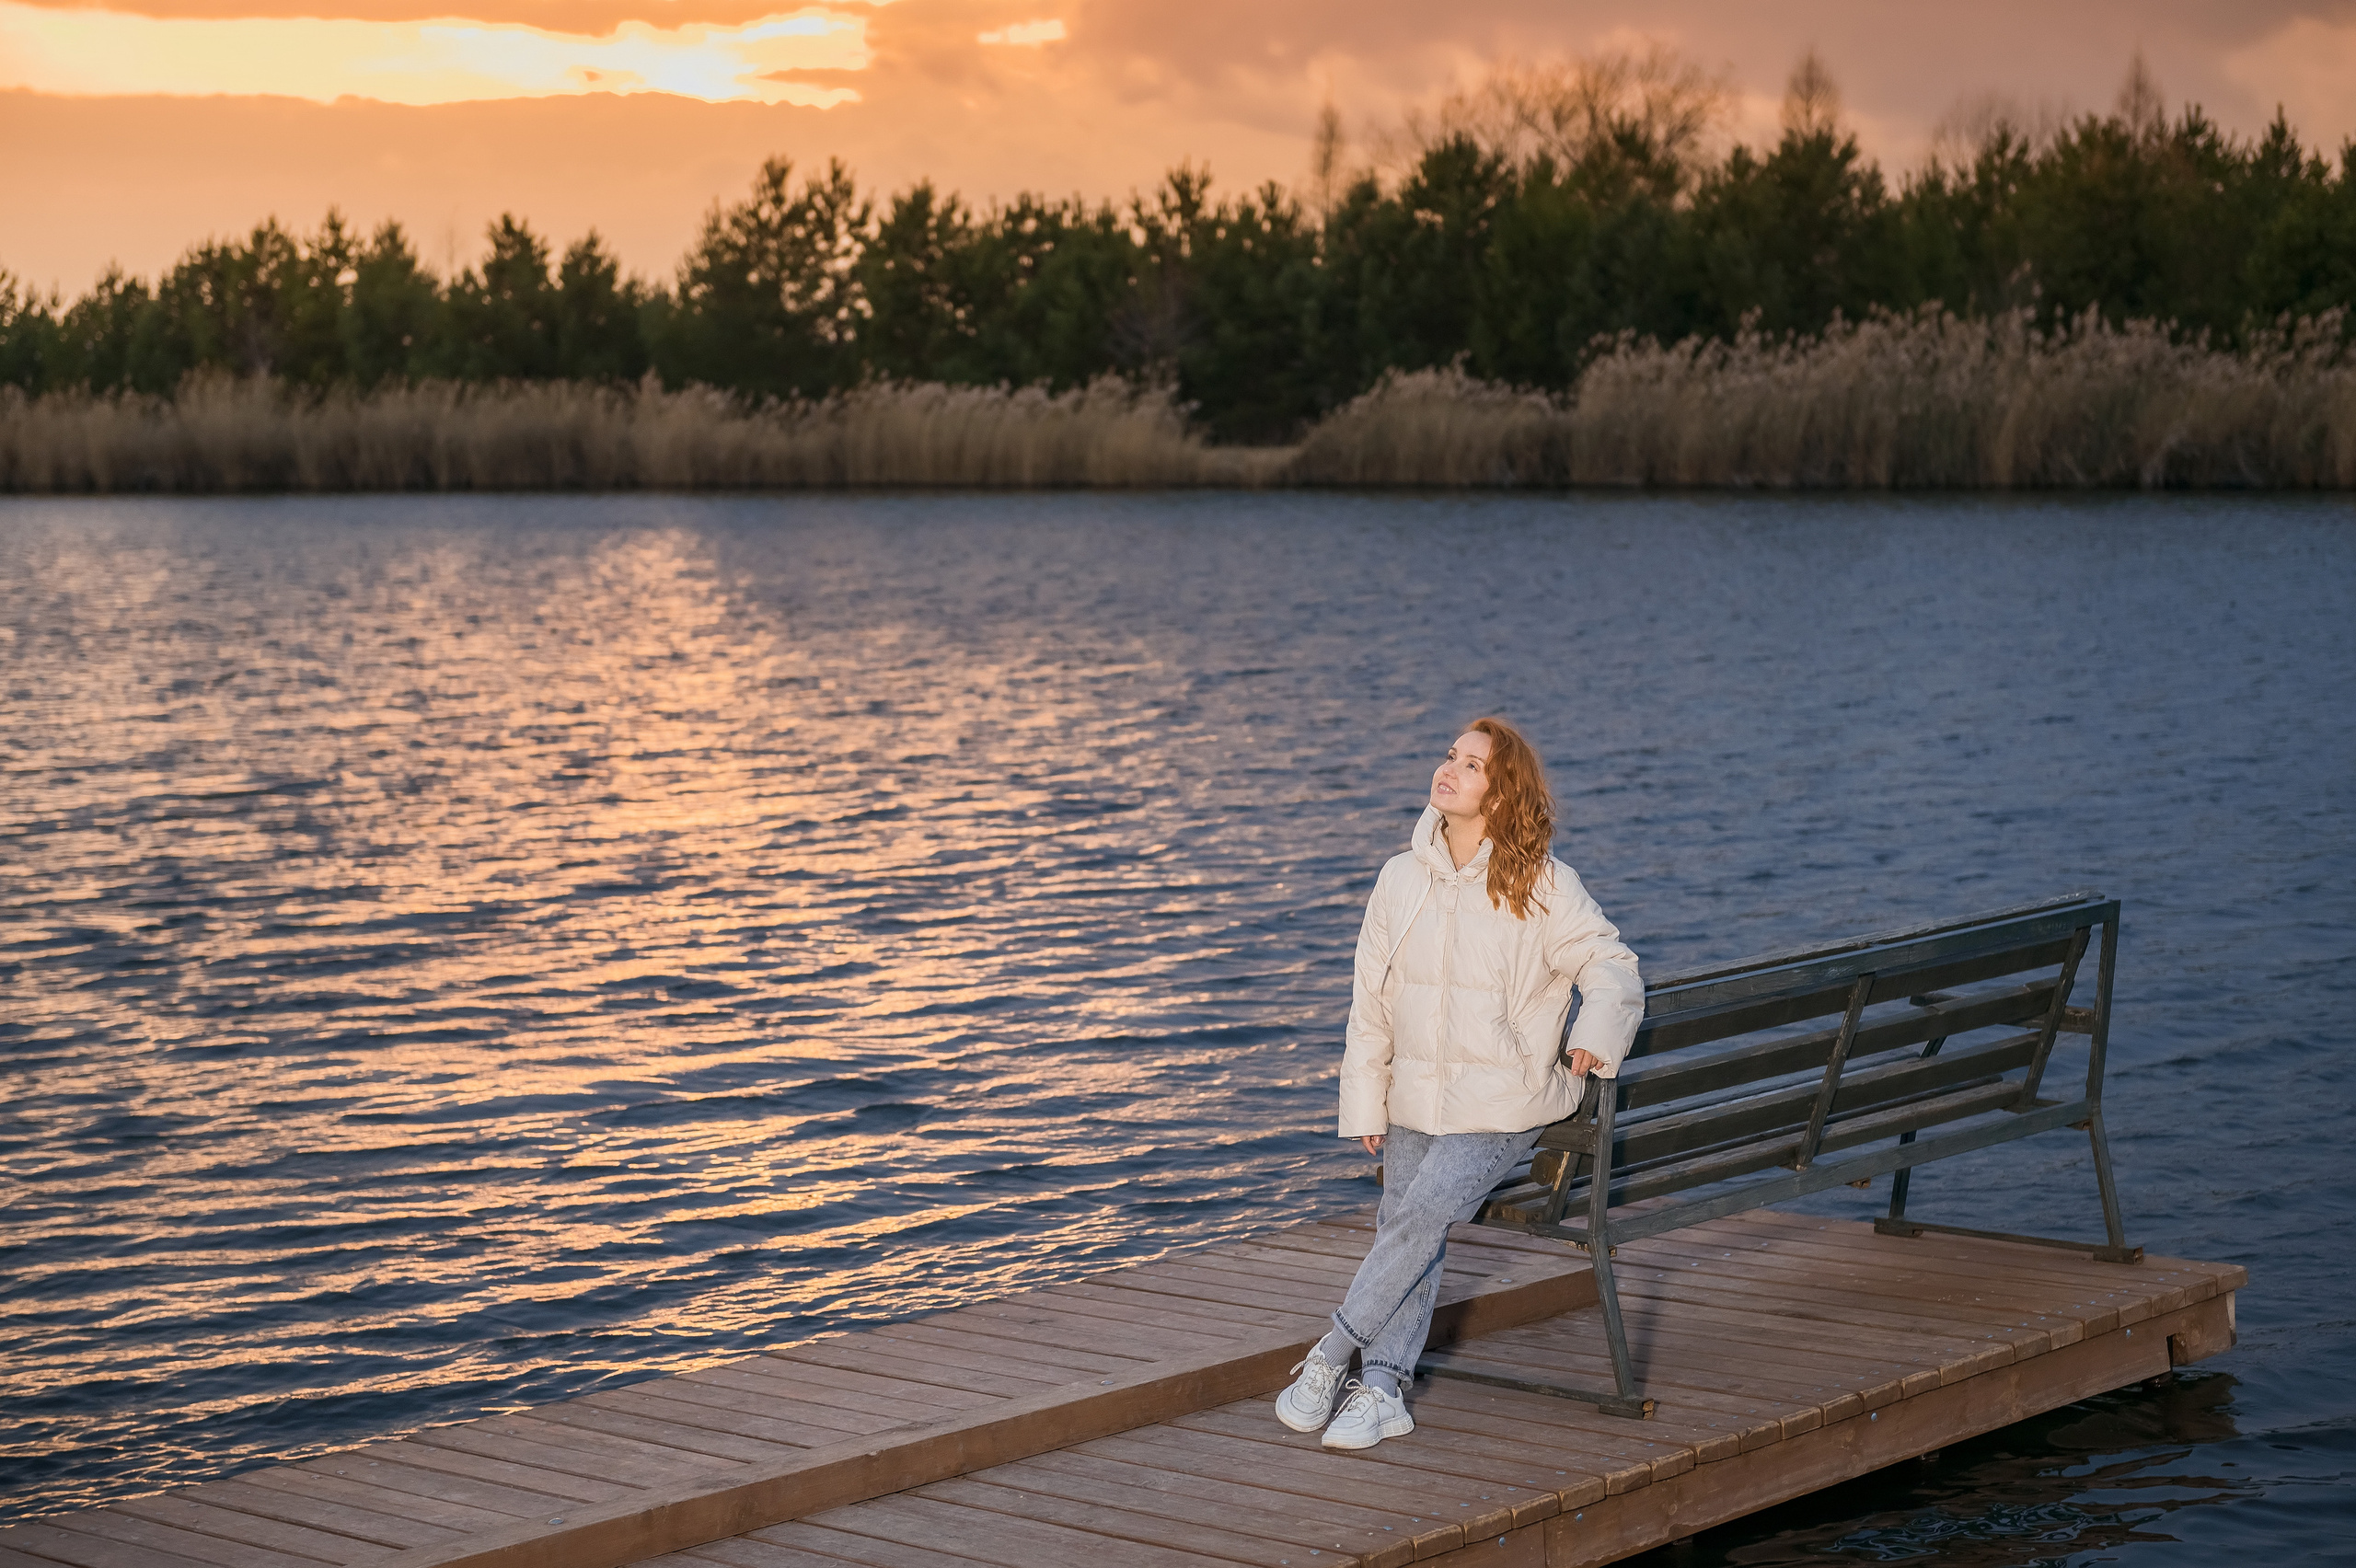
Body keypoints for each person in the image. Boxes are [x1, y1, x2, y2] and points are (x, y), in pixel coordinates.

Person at [1276, 717, 1645, 1450]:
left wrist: (1593, 1033)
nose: (1449, 769)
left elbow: (1611, 964)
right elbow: (1371, 1001)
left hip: (1504, 1100)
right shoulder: (1399, 878)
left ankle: (1332, 1352)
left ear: (1501, 794)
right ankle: (1384, 1388)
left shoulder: (1542, 881)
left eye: (1471, 765)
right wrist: (1367, 1099)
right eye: (1451, 756)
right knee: (1407, 1225)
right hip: (1414, 1097)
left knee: (1419, 1215)